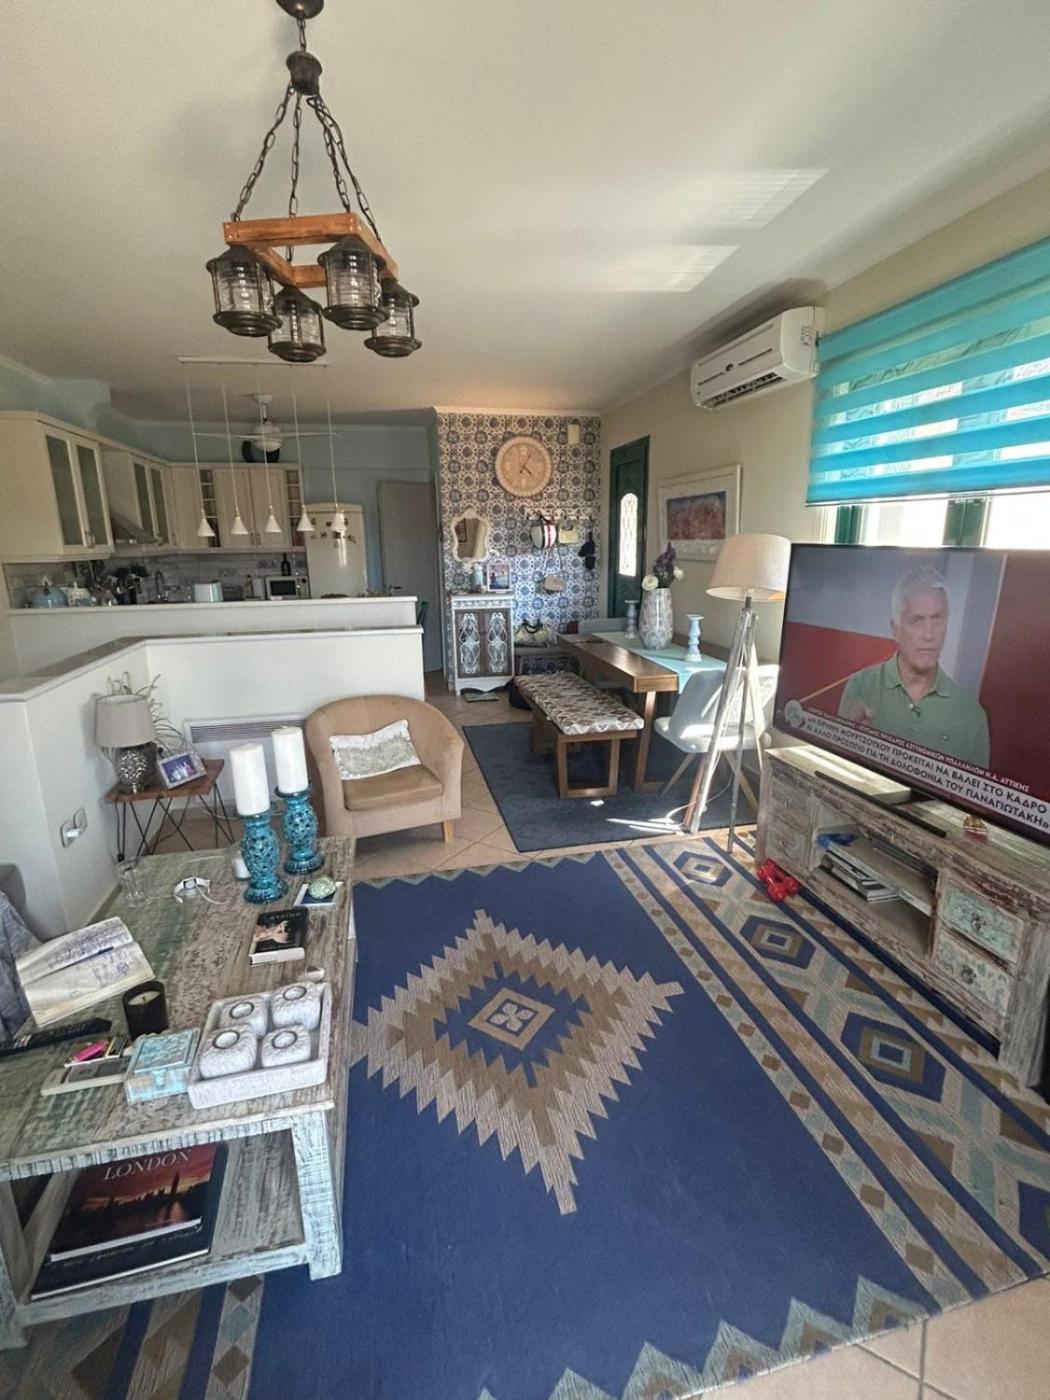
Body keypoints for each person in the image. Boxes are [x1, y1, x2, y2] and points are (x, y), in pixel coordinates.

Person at [837, 565, 990, 767]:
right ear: (896, 630)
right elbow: (838, 767)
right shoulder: (861, 687)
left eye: (937, 619)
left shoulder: (972, 716)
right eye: (917, 621)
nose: (929, 635)